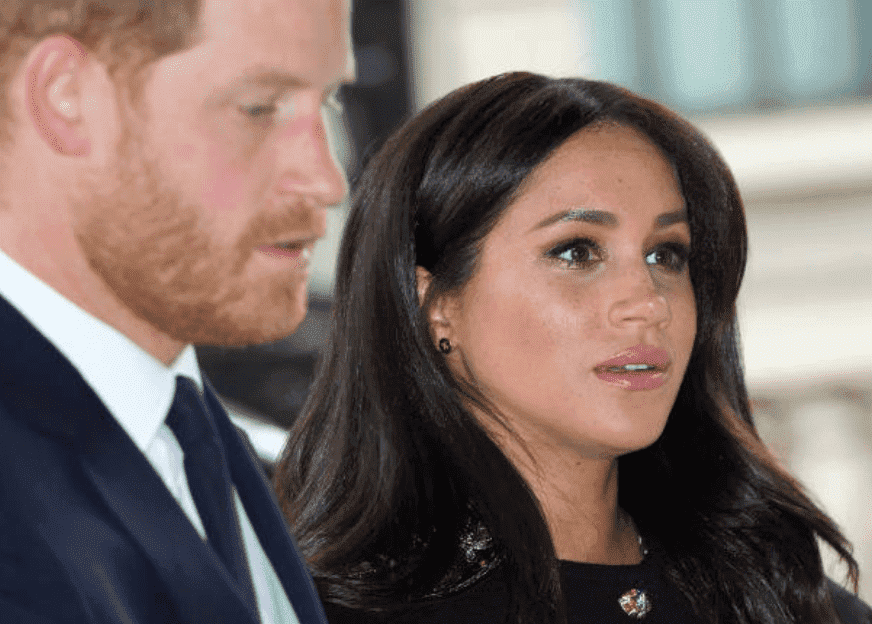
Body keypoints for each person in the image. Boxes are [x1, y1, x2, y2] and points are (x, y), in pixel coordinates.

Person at [274, 72, 872, 624]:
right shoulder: (316, 608)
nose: (648, 302)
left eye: (667, 255)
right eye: (576, 251)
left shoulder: (775, 593)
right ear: (434, 303)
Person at [0, 0, 352, 622]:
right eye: (260, 108)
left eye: (327, 106)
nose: (327, 181)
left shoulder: (197, 429)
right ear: (67, 96)